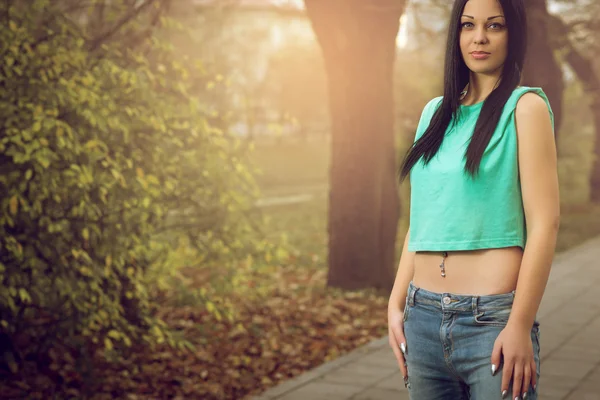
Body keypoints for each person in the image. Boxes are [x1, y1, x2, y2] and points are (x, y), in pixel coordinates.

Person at [387, 0, 559, 399]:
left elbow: (545, 224)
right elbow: (421, 220)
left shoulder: (526, 108)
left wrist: (519, 323)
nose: (479, 37)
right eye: (468, 25)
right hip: (422, 319)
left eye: (494, 26)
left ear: (512, 34)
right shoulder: (434, 113)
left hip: (492, 323)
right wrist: (395, 304)